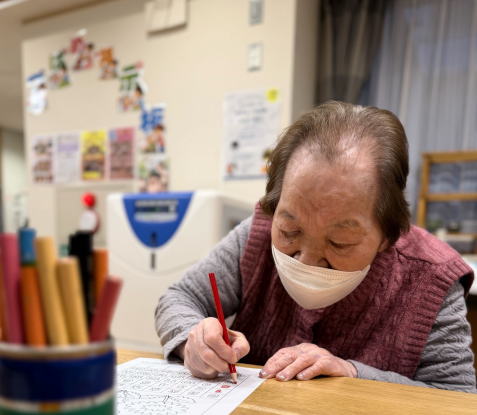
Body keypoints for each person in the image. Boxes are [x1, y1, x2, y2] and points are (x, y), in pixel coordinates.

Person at [156, 102, 476, 393]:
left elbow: (457, 397)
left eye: (340, 242)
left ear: (388, 237)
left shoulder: (431, 278)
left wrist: (351, 372)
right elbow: (180, 297)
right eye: (290, 231)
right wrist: (195, 340)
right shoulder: (257, 234)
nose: (307, 262)